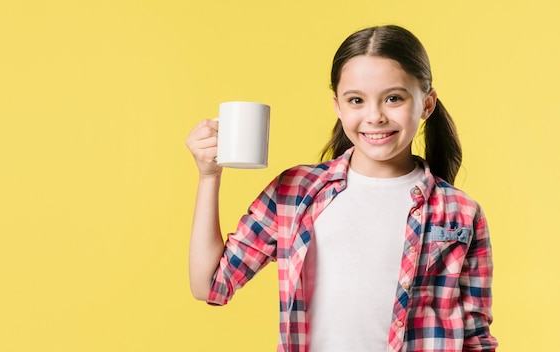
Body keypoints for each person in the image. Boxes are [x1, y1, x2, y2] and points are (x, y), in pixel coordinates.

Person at [185, 25, 498, 352]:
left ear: (427, 104)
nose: (375, 116)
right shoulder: (295, 192)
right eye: (356, 100)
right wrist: (209, 177)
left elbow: (476, 337)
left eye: (393, 98)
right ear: (338, 106)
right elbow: (209, 285)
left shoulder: (461, 212)